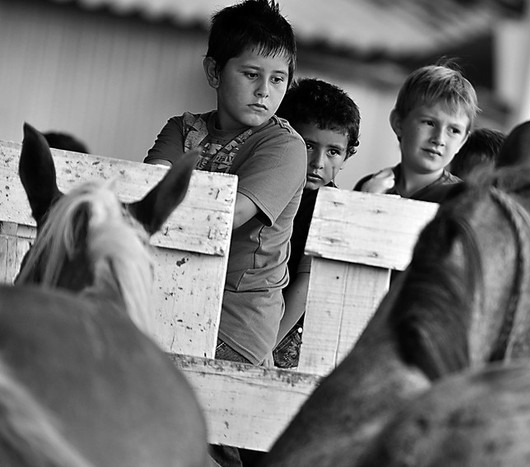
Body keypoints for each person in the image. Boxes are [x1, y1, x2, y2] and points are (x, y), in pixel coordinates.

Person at [144, 0, 306, 370]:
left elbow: (225, 218)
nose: (265, 91)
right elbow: (152, 192)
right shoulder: (182, 129)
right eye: (251, 74)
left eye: (278, 79)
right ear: (214, 71)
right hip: (168, 296)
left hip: (235, 324)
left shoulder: (284, 146)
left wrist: (165, 200)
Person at [272, 77, 361, 368]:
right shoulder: (268, 187)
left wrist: (267, 346)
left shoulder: (330, 206)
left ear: (348, 155)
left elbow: (306, 285)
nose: (319, 162)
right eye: (308, 145)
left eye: (333, 151)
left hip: (288, 335)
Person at [354, 62, 479, 202]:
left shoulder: (462, 201)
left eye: (454, 130)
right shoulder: (370, 186)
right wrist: (366, 200)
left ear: (462, 141)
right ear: (398, 123)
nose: (439, 139)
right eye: (429, 123)